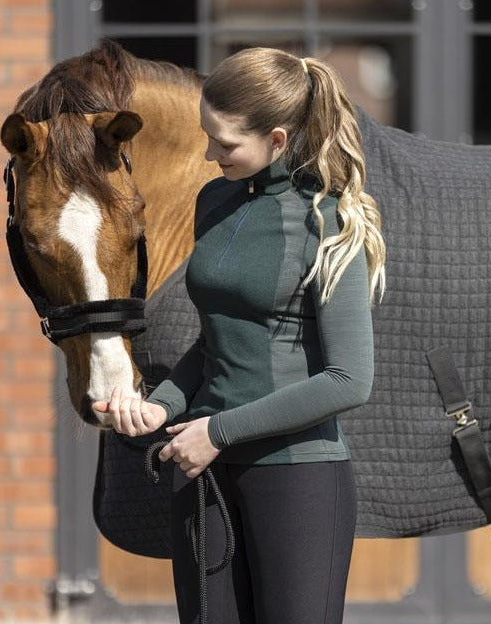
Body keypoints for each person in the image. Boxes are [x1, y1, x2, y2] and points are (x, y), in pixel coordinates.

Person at [94, 46, 386, 624]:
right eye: (207, 135)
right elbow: (217, 343)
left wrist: (219, 433)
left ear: (277, 140)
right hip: (202, 469)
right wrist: (160, 409)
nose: (209, 153)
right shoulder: (214, 202)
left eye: (224, 144)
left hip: (297, 480)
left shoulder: (331, 222)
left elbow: (350, 380)